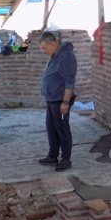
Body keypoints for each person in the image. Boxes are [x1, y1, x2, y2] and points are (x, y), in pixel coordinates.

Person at [38, 31, 77, 172]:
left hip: (60, 100)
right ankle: (52, 156)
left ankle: (66, 159)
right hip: (51, 99)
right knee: (51, 128)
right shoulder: (56, 54)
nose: (43, 51)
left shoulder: (66, 56)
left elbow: (69, 82)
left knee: (62, 129)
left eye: (44, 48)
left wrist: (65, 102)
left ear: (53, 43)